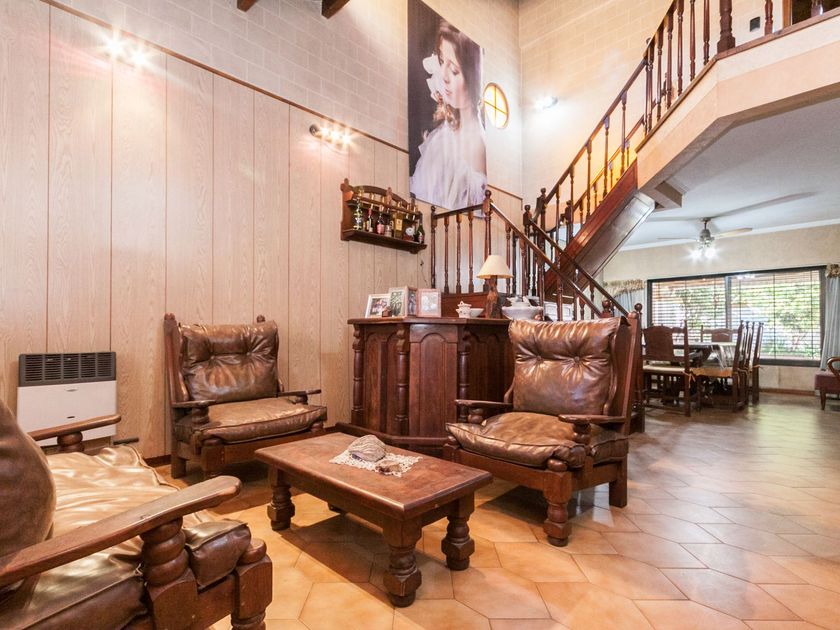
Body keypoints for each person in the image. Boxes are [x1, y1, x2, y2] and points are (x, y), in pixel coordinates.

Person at [410, 22, 487, 211]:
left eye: (454, 70)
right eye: (442, 61)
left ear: (473, 77)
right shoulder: (445, 132)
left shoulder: (476, 144)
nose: (443, 76)